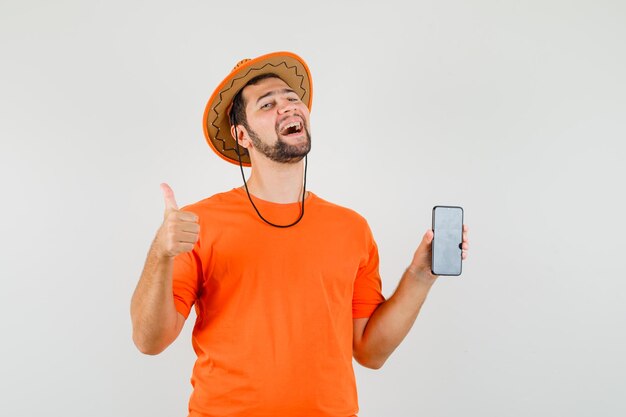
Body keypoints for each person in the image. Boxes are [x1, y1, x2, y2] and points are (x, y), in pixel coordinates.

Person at [130, 51, 469, 417]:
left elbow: (370, 352)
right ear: (241, 135)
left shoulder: (351, 228)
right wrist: (160, 254)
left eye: (293, 99)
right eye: (268, 104)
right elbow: (149, 341)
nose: (288, 107)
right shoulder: (197, 223)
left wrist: (419, 277)